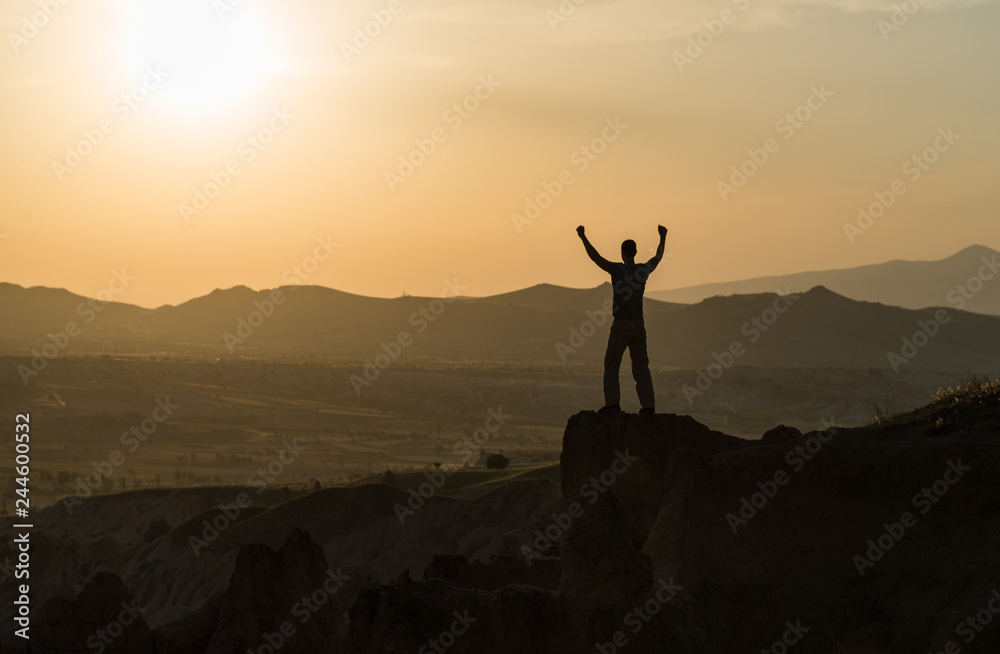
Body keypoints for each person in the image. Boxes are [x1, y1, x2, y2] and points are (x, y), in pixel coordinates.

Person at [576, 224, 667, 414]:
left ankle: (612, 405)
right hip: (639, 326)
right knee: (641, 367)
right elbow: (657, 258)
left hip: (622, 325)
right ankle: (648, 407)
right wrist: (662, 237)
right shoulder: (642, 271)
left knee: (612, 364)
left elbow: (596, 258)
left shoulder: (618, 270)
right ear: (635, 252)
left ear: (622, 253)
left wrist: (583, 237)